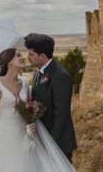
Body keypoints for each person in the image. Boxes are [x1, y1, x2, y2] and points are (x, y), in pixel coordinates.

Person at [0, 48, 75, 172]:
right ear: (9, 61)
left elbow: (29, 108)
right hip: (3, 138)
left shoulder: (25, 82)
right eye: (18, 55)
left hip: (24, 135)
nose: (23, 57)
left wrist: (30, 121)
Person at [24, 33, 77, 163]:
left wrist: (51, 145)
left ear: (42, 56)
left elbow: (61, 114)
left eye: (31, 54)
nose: (28, 57)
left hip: (58, 142)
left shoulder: (61, 76)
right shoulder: (38, 73)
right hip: (42, 139)